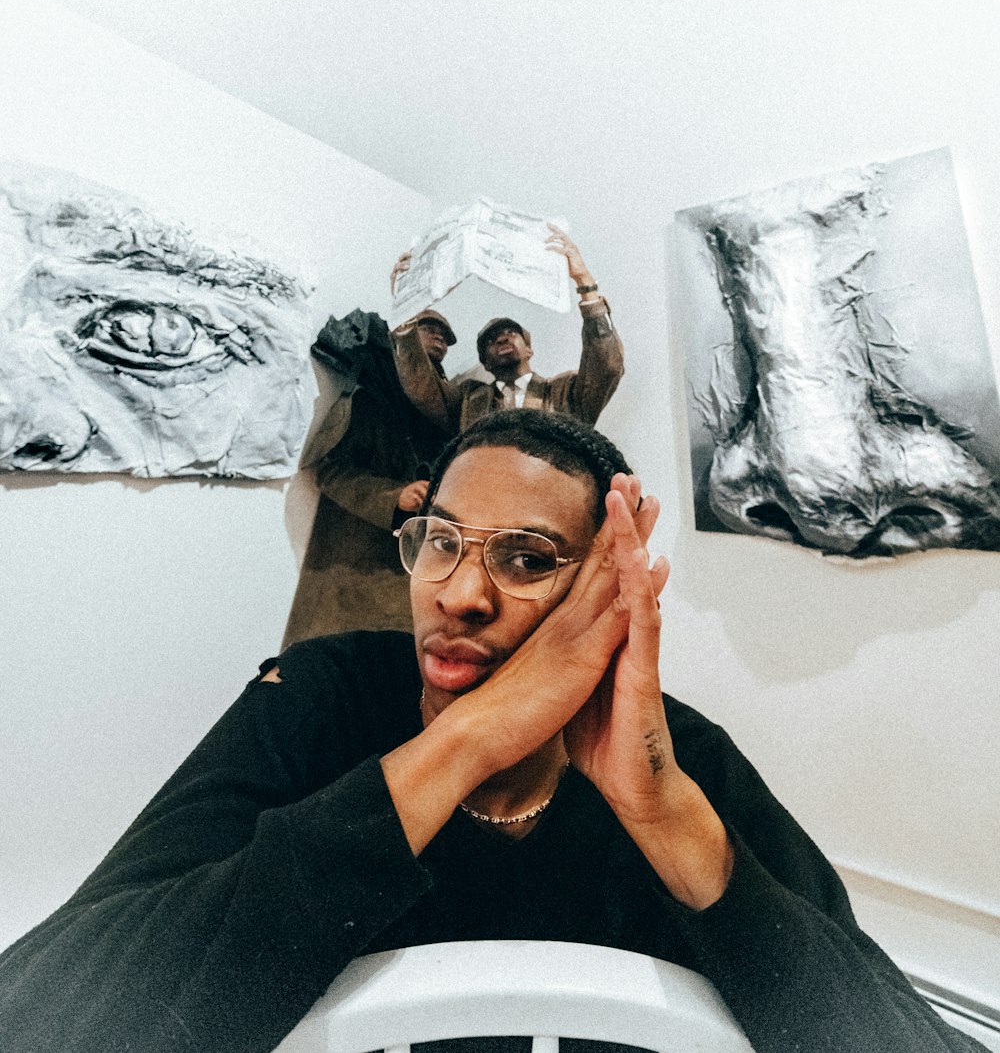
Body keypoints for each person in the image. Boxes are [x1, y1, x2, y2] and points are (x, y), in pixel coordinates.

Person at [0, 412, 985, 1053]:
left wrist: (663, 811)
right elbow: (39, 1013)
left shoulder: (682, 757)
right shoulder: (321, 692)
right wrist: (465, 741)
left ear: (604, 591)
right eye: (441, 542)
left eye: (525, 557)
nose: (460, 594)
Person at [282, 307, 455, 643]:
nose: (439, 337)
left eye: (445, 336)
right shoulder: (369, 401)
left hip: (419, 572)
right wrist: (394, 496)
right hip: (356, 573)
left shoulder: (450, 408)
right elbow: (331, 472)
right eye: (428, 327)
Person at [392, 224, 624, 433]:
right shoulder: (466, 401)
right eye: (491, 341)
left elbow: (607, 365)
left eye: (511, 333)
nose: (502, 338)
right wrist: (406, 301)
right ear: (485, 363)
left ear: (529, 350)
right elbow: (421, 386)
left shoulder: (564, 393)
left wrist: (584, 282)